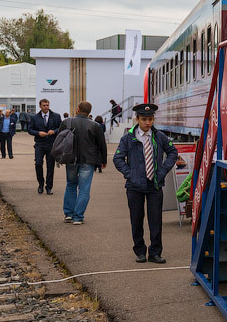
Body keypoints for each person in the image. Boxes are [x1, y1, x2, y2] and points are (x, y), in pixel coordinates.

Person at [113, 103, 178, 264]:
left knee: (155, 220)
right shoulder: (128, 138)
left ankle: (155, 252)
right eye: (144, 119)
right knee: (136, 219)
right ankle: (140, 251)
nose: (147, 123)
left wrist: (162, 171)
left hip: (154, 185)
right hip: (134, 186)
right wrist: (130, 175)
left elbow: (173, 152)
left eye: (150, 119)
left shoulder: (159, 136)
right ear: (137, 119)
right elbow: (118, 159)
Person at [59, 101, 108, 225]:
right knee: (84, 189)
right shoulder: (95, 125)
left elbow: (59, 139)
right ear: (89, 112)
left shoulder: (67, 122)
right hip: (88, 159)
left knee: (70, 184)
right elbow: (102, 144)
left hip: (71, 158)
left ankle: (69, 214)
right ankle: (78, 216)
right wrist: (103, 160)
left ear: (77, 109)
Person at [28, 99, 62, 194]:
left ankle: (49, 187)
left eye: (47, 105)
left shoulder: (56, 116)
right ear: (40, 106)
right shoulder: (35, 117)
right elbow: (30, 130)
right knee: (38, 163)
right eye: (44, 105)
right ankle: (41, 183)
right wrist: (38, 133)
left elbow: (61, 128)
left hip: (51, 144)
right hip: (40, 144)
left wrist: (54, 131)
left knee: (50, 166)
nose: (46, 107)